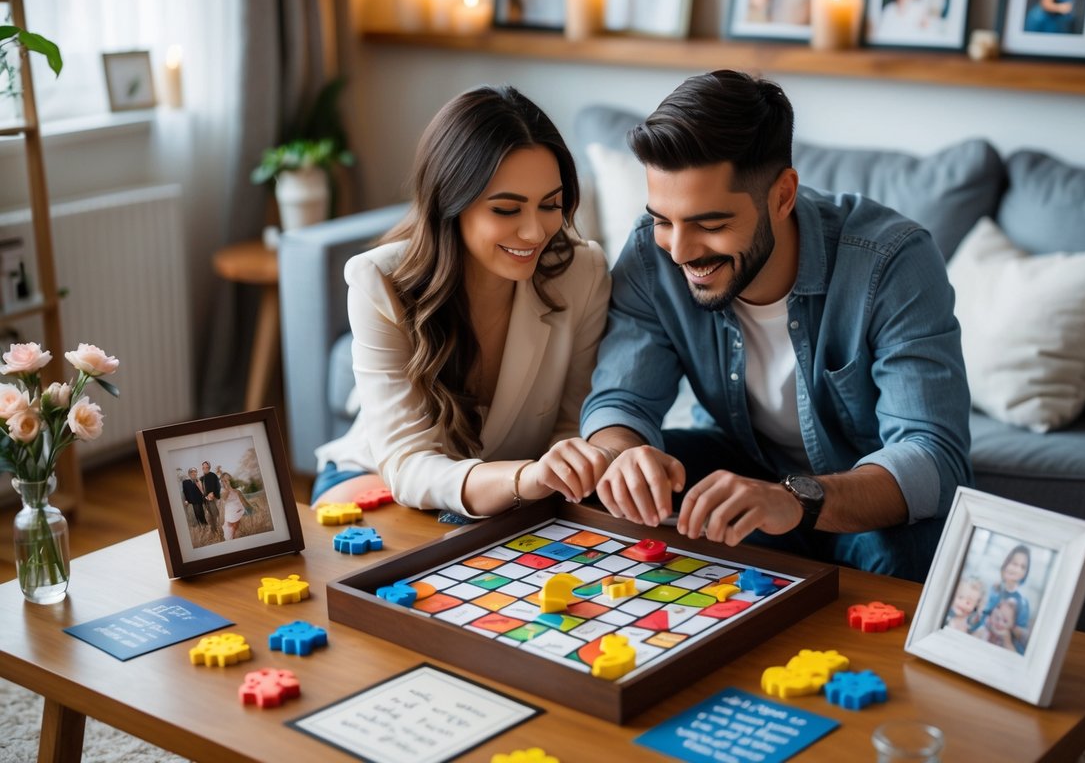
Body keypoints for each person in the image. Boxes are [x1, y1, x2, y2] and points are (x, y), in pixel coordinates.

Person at [579, 70, 971, 581]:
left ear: (783, 196)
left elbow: (931, 455)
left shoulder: (892, 260)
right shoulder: (650, 257)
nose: (680, 251)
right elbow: (621, 401)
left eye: (711, 225)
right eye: (664, 219)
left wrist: (793, 499)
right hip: (742, 460)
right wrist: (623, 454)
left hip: (860, 487)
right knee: (602, 484)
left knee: (900, 554)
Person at [313, 86, 612, 519]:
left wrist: (555, 470)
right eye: (507, 210)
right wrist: (523, 479)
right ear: (451, 203)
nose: (535, 232)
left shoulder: (582, 272)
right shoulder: (380, 282)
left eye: (550, 204)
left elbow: (570, 426)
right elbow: (407, 463)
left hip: (518, 498)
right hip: (384, 479)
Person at [977, 544, 1032, 650]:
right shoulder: (994, 589)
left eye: (1022, 567)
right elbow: (983, 614)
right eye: (1014, 564)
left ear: (1025, 573)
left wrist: (1008, 627)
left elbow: (1022, 635)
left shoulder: (1023, 602)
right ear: (1006, 564)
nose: (1017, 569)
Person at [219, 472, 252, 541]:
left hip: (239, 512)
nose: (227, 481)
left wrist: (252, 508)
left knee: (236, 531)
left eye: (228, 479)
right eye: (224, 480)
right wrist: (227, 488)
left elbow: (245, 502)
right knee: (229, 534)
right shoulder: (222, 492)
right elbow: (224, 498)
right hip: (230, 516)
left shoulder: (237, 492)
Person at [199, 461, 222, 533]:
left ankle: (220, 531)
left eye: (206, 467)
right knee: (209, 517)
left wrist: (213, 493)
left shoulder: (213, 475)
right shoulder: (202, 478)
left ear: (209, 467)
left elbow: (218, 486)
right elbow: (201, 489)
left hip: (213, 499)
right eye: (203, 467)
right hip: (205, 500)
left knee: (215, 515)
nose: (205, 468)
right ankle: (214, 532)